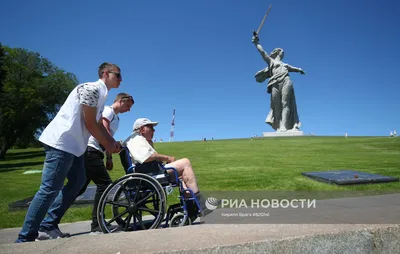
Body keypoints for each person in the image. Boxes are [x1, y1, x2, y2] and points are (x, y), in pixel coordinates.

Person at [16, 62, 123, 243]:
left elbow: (96, 125)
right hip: (62, 143)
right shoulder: (91, 89)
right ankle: (25, 238)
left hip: (76, 148)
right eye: (118, 75)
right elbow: (89, 123)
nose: (121, 79)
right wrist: (108, 143)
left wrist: (111, 143)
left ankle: (48, 225)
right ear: (105, 73)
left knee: (78, 181)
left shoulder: (101, 95)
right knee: (49, 189)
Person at [123, 118, 205, 219]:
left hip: (150, 171)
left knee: (182, 175)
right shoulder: (136, 139)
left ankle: (191, 206)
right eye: (151, 128)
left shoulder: (141, 140)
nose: (153, 131)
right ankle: (199, 203)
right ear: (142, 129)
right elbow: (145, 158)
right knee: (185, 163)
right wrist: (167, 158)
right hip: (148, 174)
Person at [76, 93, 134, 233]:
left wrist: (108, 157)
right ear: (120, 101)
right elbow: (104, 128)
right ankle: (96, 225)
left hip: (97, 152)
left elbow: (108, 136)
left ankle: (50, 220)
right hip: (91, 149)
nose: (129, 109)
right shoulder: (107, 110)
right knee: (104, 185)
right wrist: (114, 144)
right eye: (128, 106)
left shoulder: (117, 119)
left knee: (78, 188)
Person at [252, 34, 305, 132]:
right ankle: (278, 124)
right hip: (274, 83)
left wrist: (299, 70)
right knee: (276, 105)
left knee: (286, 104)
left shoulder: (285, 65)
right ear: (278, 53)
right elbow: (262, 52)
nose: (283, 53)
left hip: (286, 81)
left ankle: (283, 125)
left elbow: (294, 68)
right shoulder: (271, 61)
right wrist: (256, 43)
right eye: (282, 51)